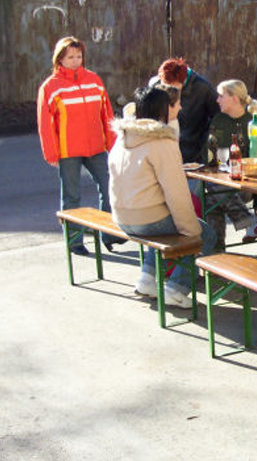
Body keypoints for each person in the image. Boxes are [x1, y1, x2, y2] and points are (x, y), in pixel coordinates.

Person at [108, 86, 216, 308]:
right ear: (162, 110)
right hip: (146, 219)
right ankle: (176, 289)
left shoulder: (122, 137)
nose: (179, 107)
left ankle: (146, 279)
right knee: (205, 234)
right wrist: (191, 231)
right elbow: (177, 192)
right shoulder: (161, 141)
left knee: (162, 226)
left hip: (121, 217)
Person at [37, 36, 123, 256]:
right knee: (71, 196)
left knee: (109, 187)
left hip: (96, 147)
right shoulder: (50, 86)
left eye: (78, 56)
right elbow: (45, 124)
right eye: (70, 57)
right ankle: (74, 240)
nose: (75, 61)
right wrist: (51, 153)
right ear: (59, 59)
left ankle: (109, 232)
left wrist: (112, 144)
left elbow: (107, 114)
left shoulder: (94, 80)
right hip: (68, 150)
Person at [207, 79, 257, 250]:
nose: (217, 100)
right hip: (222, 180)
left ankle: (217, 252)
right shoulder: (218, 120)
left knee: (215, 194)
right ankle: (218, 251)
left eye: (221, 96)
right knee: (211, 199)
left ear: (234, 98)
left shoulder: (253, 122)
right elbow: (211, 153)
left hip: (246, 184)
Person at [151, 58, 219, 164]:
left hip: (194, 151)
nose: (168, 90)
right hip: (164, 148)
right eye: (165, 86)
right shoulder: (155, 85)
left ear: (182, 81)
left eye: (172, 87)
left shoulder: (203, 88)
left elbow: (217, 116)